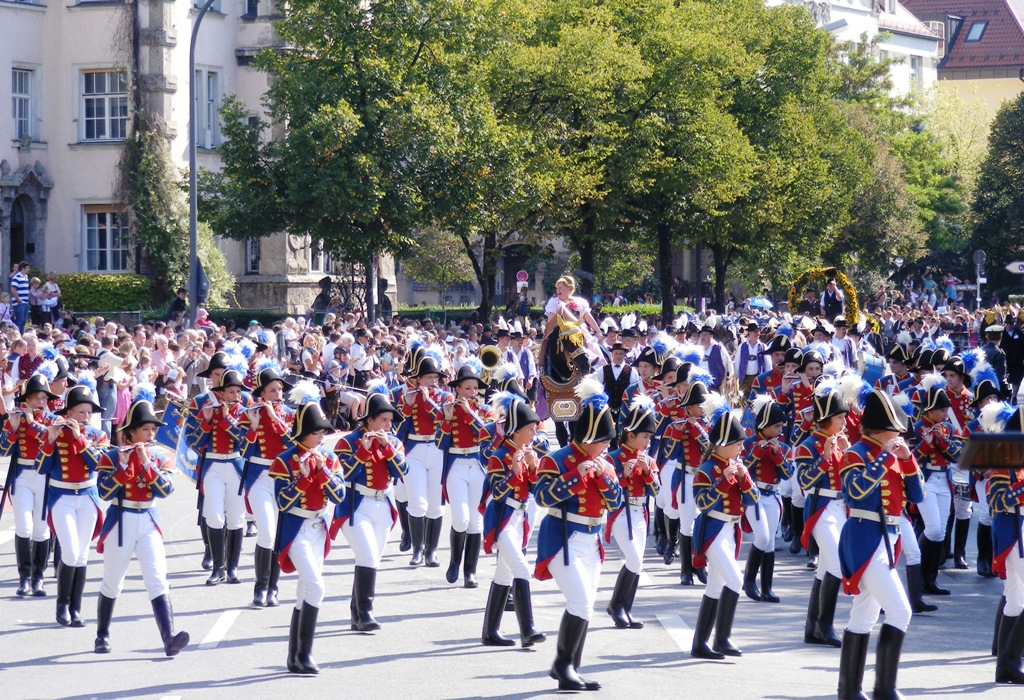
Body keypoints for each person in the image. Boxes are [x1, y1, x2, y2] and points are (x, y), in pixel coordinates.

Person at [534, 379, 623, 691]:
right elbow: (542, 497)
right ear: (588, 438)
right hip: (563, 536)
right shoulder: (556, 459)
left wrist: (601, 478)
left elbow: (616, 501)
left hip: (592, 539)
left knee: (586, 604)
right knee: (580, 601)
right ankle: (562, 665)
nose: (607, 447)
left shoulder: (604, 463)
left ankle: (572, 667)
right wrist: (575, 477)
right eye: (603, 441)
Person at [836, 390, 925, 699]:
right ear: (879, 429)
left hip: (889, 538)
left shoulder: (896, 455)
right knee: (900, 611)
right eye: (894, 429)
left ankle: (849, 690)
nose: (899, 435)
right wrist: (885, 458)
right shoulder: (856, 453)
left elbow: (917, 495)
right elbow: (856, 492)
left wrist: (908, 461)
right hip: (865, 536)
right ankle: (883, 688)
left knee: (864, 615)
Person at [93, 394, 190, 657]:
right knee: (113, 582)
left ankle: (169, 638)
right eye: (145, 429)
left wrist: (146, 462)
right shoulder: (111, 456)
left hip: (148, 519)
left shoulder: (158, 459)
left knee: (157, 579)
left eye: (152, 430)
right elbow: (104, 492)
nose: (150, 435)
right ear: (131, 432)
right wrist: (123, 465)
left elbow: (165, 490)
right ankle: (102, 634)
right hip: (121, 519)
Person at [269, 389, 346, 674]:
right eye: (316, 433)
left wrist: (322, 472)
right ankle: (305, 653)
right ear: (302, 433)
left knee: (305, 589)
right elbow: (282, 502)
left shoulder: (329, 457)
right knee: (316, 586)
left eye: (323, 432)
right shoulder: (284, 460)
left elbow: (338, 496)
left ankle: (296, 656)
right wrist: (302, 479)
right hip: (296, 529)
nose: (321, 438)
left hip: (318, 527)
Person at [334, 381, 407, 632]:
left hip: (383, 503)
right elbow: (344, 475)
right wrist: (363, 452)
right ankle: (365, 612)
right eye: (383, 420)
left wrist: (387, 448)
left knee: (372, 558)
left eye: (390, 421)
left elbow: (402, 471)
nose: (388, 426)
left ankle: (356, 613)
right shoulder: (348, 442)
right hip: (357, 505)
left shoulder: (394, 443)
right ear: (369, 421)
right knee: (367, 554)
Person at [690, 394, 758, 659]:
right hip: (713, 530)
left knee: (715, 586)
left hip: (731, 530)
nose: (742, 448)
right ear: (722, 444)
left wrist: (744, 479)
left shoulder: (737, 466)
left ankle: (700, 643)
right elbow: (703, 503)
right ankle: (722, 638)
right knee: (735, 579)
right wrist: (723, 482)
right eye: (738, 444)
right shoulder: (707, 469)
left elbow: (752, 500)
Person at [37, 381, 109, 626]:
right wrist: (50, 440)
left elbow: (98, 464)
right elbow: (41, 468)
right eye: (81, 412)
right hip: (62, 497)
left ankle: (75, 608)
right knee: (69, 551)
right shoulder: (54, 432)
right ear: (68, 413)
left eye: (89, 412)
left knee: (82, 555)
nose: (86, 417)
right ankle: (62, 605)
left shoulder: (97, 435)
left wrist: (79, 439)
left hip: (88, 496)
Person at [481, 392, 546, 648]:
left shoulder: (527, 452)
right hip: (503, 519)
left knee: (504, 574)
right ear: (516, 431)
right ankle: (527, 630)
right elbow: (497, 493)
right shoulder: (499, 455)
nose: (534, 434)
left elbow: (537, 492)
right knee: (521, 569)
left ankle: (490, 631)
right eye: (530, 429)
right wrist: (514, 472)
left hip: (520, 518)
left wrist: (532, 468)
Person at [796, 380, 850, 648]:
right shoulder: (808, 445)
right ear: (827, 419)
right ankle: (825, 625)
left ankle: (813, 627)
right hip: (820, 507)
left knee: (826, 567)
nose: (845, 422)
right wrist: (825, 457)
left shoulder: (841, 442)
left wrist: (848, 451)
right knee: (837, 564)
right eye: (840, 418)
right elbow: (804, 481)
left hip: (840, 507)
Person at [238, 362, 294, 606]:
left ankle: (273, 588)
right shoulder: (249, 413)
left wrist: (274, 417)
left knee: (278, 534)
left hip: (282, 479)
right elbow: (241, 451)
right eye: (272, 390)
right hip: (260, 477)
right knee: (267, 532)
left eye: (279, 390)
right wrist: (252, 427)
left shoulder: (289, 414)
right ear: (261, 394)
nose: (278, 394)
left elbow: (294, 444)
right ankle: (260, 588)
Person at [605, 394, 659, 628]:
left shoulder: (648, 460)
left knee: (637, 562)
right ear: (631, 435)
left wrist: (647, 473)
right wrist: (623, 476)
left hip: (640, 513)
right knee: (634, 559)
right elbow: (607, 491)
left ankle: (625, 608)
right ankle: (616, 606)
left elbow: (656, 491)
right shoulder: (612, 459)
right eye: (645, 436)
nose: (648, 442)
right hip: (621, 512)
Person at [1, 373, 58, 596]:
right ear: (27, 400)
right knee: (24, 526)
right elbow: (3, 450)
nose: (41, 402)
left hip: (44, 476)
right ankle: (24, 577)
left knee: (41, 528)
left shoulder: (52, 420)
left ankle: (38, 577)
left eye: (44, 398)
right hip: (22, 476)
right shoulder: (16, 417)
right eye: (36, 398)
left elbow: (49, 439)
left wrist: (32, 423)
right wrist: (13, 430)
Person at [981, 402, 1024, 684]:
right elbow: (997, 501)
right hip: (1012, 532)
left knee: (1016, 600)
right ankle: (1009, 661)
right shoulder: (1003, 462)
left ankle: (1006, 664)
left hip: (1020, 529)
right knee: (1016, 598)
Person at [197, 369, 252, 585]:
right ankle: (218, 568)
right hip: (213, 466)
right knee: (214, 515)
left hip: (236, 465)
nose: (236, 396)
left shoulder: (245, 413)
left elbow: (243, 440)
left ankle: (233, 567)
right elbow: (194, 441)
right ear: (221, 393)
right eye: (231, 392)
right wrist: (207, 421)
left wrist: (225, 418)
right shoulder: (208, 410)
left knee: (237, 516)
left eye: (238, 391)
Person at [911, 376, 963, 600]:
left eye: (946, 410)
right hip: (926, 479)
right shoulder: (916, 427)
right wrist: (927, 443)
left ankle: (930, 580)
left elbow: (958, 456)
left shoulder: (948, 428)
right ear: (930, 410)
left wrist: (942, 440)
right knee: (932, 528)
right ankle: (917, 577)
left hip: (944, 480)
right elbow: (910, 458)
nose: (945, 414)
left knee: (940, 531)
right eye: (941, 410)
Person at [438, 363, 489, 588]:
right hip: (456, 465)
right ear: (457, 389)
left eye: (474, 388)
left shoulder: (484, 410)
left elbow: (487, 435)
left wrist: (469, 414)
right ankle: (454, 562)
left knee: (476, 522)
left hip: (477, 465)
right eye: (467, 388)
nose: (472, 392)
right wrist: (448, 421)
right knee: (461, 518)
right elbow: (440, 443)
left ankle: (470, 572)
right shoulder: (447, 408)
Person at [741, 394, 793, 603]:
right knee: (761, 537)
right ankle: (749, 581)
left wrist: (776, 454)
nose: (780, 431)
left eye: (781, 427)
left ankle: (767, 587)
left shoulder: (783, 447)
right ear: (764, 425)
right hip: (754, 494)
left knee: (770, 542)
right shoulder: (748, 443)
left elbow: (787, 474)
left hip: (774, 495)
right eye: (776, 426)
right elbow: (743, 468)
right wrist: (758, 452)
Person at [400, 353, 447, 566]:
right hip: (415, 450)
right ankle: (417, 549)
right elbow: (398, 428)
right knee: (417, 502)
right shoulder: (408, 396)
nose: (433, 381)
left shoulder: (445, 397)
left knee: (435, 504)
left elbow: (443, 419)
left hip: (437, 450)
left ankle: (431, 550)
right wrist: (408, 406)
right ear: (418, 379)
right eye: (428, 377)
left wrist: (428, 401)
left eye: (435, 377)